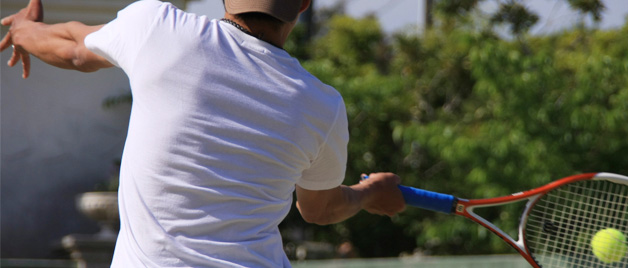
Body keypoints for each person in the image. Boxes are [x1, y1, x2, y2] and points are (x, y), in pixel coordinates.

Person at [0, 0, 406, 267]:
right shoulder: (322, 105)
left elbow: (71, 46)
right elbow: (319, 209)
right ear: (302, 5)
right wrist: (370, 193)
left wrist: (22, 31)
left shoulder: (160, 30)